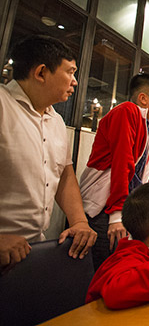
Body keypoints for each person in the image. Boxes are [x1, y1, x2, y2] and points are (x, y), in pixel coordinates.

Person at [0, 35, 96, 272]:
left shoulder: (56, 121)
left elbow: (64, 174)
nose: (75, 82)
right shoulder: (3, 105)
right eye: (70, 72)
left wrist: (80, 222)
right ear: (41, 72)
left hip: (33, 250)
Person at [80, 73, 149, 269]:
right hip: (101, 205)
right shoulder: (127, 110)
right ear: (143, 98)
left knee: (120, 266)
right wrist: (116, 215)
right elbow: (123, 162)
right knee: (103, 270)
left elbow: (143, 176)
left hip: (121, 205)